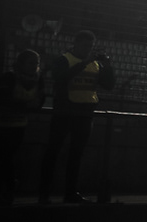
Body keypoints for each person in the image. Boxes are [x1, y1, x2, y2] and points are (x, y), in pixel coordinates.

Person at [40, 30, 111, 203]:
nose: (88, 49)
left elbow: (109, 85)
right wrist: (83, 63)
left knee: (76, 154)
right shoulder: (64, 60)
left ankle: (70, 193)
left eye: (90, 46)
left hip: (85, 114)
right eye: (85, 46)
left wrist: (108, 66)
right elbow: (59, 78)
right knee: (53, 152)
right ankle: (44, 193)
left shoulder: (95, 64)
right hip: (64, 112)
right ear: (76, 44)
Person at [0, 49, 46, 204]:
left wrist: (29, 105)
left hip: (18, 124)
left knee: (6, 157)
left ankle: (2, 190)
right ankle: (5, 188)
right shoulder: (9, 78)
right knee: (4, 156)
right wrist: (24, 105)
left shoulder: (38, 80)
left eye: (36, 63)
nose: (34, 66)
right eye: (31, 63)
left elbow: (40, 100)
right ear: (21, 64)